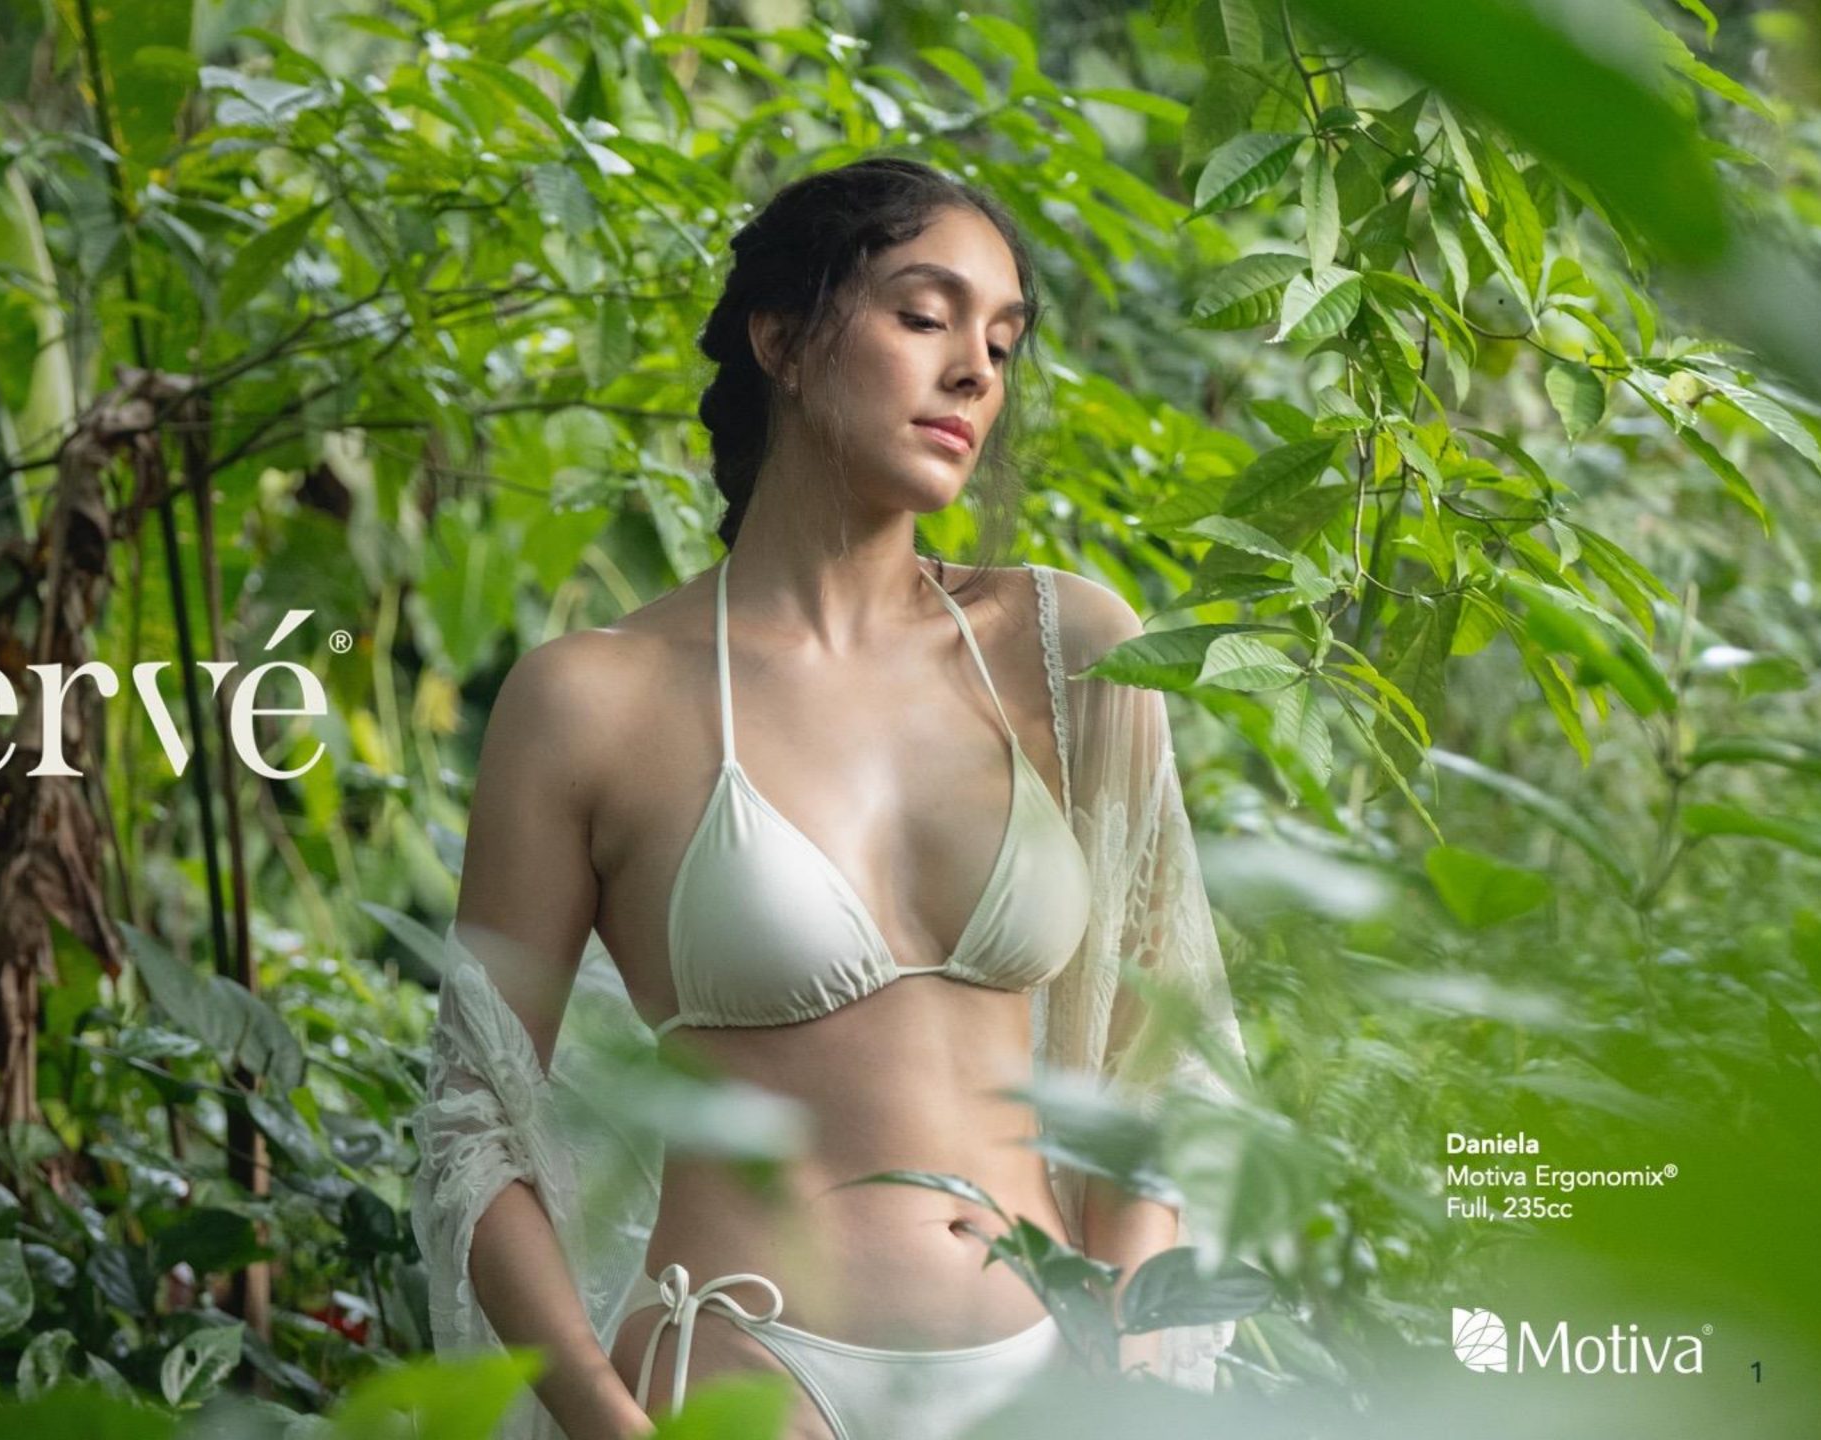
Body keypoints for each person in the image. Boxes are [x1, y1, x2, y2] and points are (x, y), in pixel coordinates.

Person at [410, 157, 1249, 1440]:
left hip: (1050, 1381)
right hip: (744, 1380)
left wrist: (1123, 1370)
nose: (974, 369)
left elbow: (1155, 1066)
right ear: (783, 340)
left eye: (1002, 341)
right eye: (925, 316)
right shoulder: (594, 700)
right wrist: (605, 1422)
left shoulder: (1070, 649)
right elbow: (476, 1134)